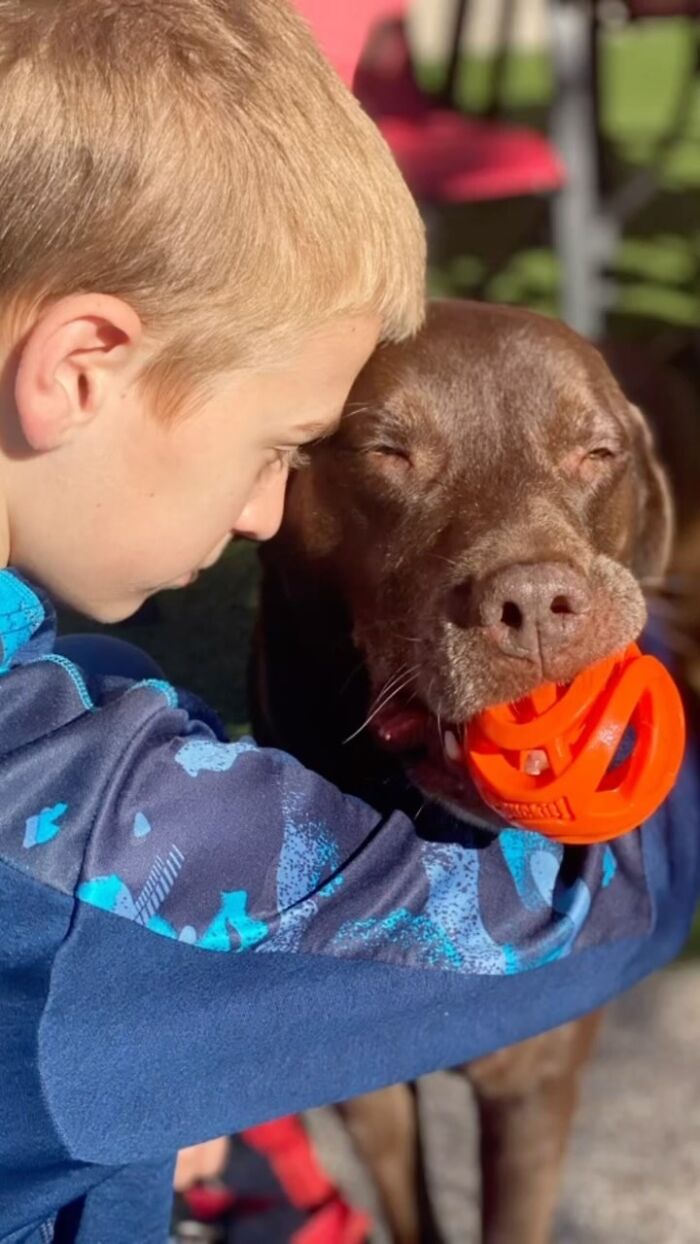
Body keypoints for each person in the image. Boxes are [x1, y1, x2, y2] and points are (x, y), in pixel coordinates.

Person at [0, 2, 698, 1243]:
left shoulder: (58, 697)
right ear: (78, 369)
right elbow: (574, 912)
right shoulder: (81, 858)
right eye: (285, 447)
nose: (271, 508)